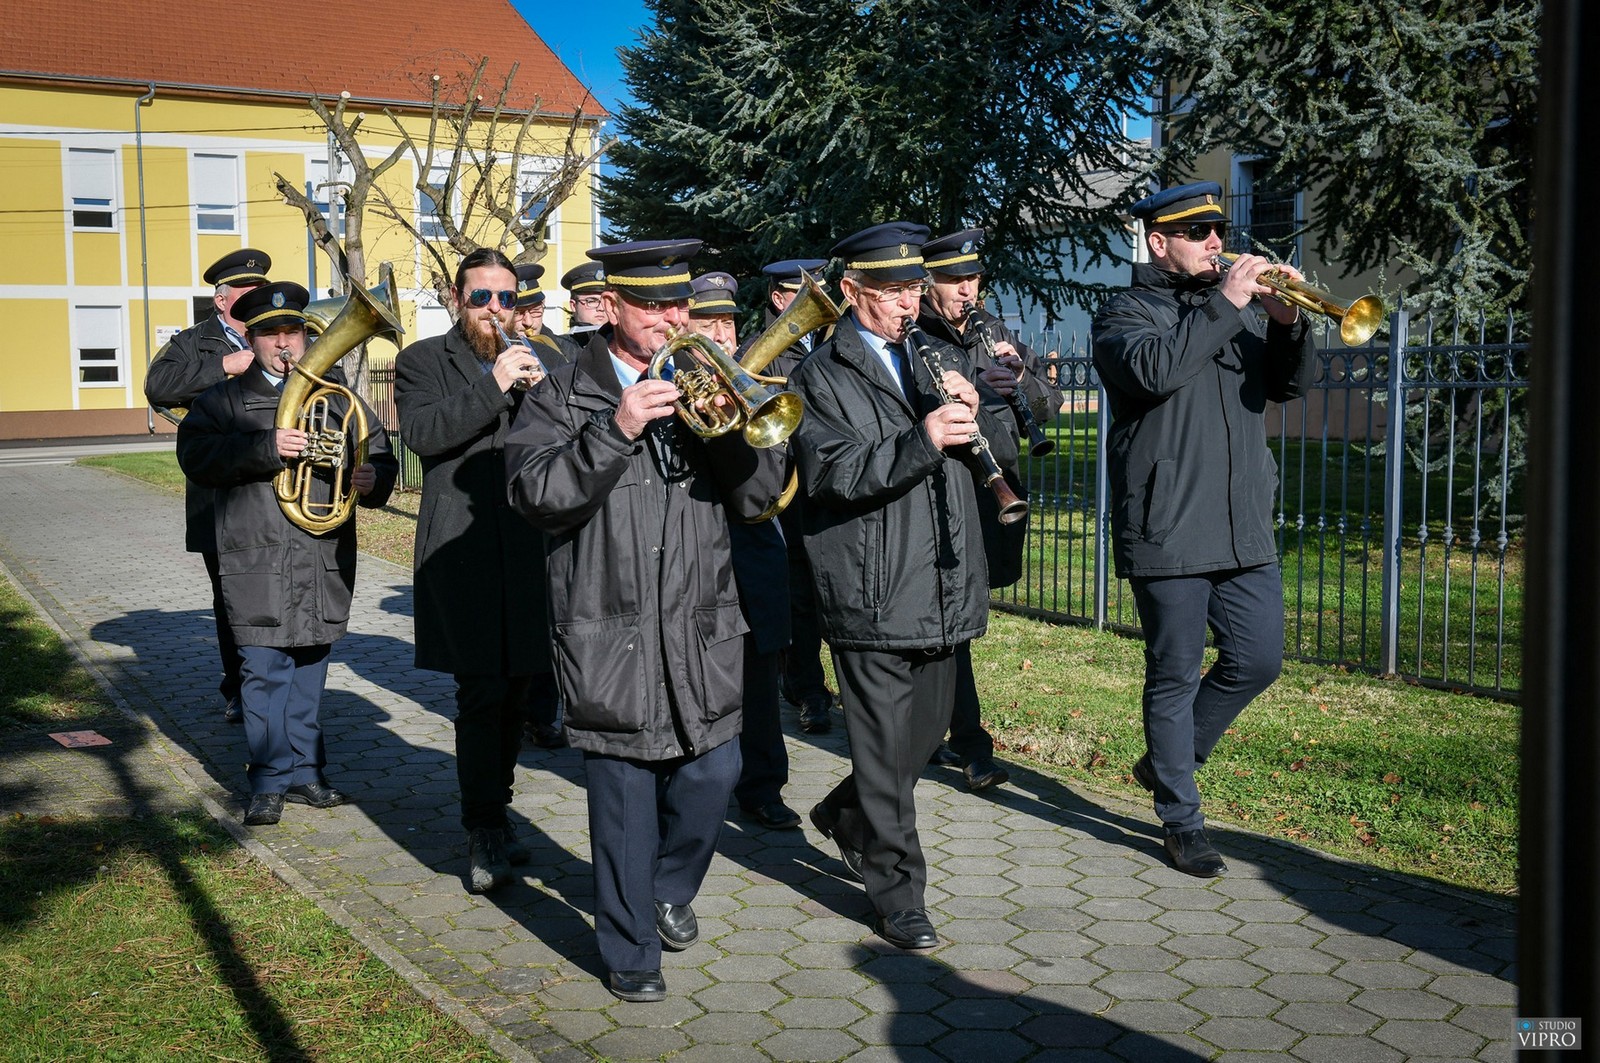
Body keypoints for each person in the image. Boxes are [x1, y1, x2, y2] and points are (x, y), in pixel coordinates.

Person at [505, 240, 785, 1002]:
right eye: (656, 305)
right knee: (624, 801)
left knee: (715, 771)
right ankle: (630, 953)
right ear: (615, 306)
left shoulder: (708, 382)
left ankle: (665, 887)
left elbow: (761, 496)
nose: (673, 319)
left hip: (700, 625)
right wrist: (617, 428)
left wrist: (726, 430)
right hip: (606, 626)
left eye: (681, 305)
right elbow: (534, 494)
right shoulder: (562, 394)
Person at [788, 222, 1015, 950]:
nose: (908, 303)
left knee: (914, 746)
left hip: (942, 582)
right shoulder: (819, 376)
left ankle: (848, 815)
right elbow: (832, 474)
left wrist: (976, 413)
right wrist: (922, 436)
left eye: (915, 288)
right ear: (853, 293)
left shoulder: (935, 357)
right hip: (871, 587)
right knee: (885, 752)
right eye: (892, 291)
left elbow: (986, 452)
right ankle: (899, 896)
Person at [1090, 181, 1315, 877]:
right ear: (1160, 242)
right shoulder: (1125, 311)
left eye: (1220, 229)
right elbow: (1156, 370)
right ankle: (1182, 819)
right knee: (1175, 673)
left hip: (1242, 520)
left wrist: (1285, 322)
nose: (1217, 242)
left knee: (1259, 658)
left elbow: (1288, 386)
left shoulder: (1236, 310)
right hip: (1168, 522)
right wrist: (1229, 304)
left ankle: (1168, 761)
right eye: (1199, 232)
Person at [174, 280, 397, 826]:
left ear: (305, 334)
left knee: (310, 668)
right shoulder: (221, 400)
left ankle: (307, 773)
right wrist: (264, 447)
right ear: (250, 340)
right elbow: (197, 458)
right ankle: (269, 780)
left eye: (292, 331)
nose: (284, 343)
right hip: (255, 553)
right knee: (263, 670)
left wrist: (373, 478)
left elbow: (382, 454)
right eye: (270, 334)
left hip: (321, 552)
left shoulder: (337, 392)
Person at [394, 247, 561, 893]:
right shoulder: (422, 361)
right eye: (481, 296)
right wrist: (493, 381)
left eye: (506, 297)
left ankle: (499, 805)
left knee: (520, 689)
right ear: (457, 299)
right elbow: (425, 434)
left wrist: (547, 390)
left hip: (532, 548)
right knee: (482, 692)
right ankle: (483, 821)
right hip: (462, 551)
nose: (495, 308)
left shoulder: (546, 355)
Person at [916, 227, 1059, 793]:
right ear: (929, 284)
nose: (967, 290)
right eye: (955, 280)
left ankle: (935, 732)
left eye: (973, 279)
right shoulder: (914, 335)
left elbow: (1048, 407)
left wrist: (1022, 377)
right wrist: (976, 383)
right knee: (954, 618)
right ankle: (970, 743)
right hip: (946, 488)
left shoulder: (993, 329)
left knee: (964, 616)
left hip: (997, 488)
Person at [686, 271, 800, 831]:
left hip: (752, 541)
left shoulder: (758, 377)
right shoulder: (673, 385)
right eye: (707, 323)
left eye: (727, 322)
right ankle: (701, 786)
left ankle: (762, 785)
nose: (722, 334)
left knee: (758, 674)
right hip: (694, 552)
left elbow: (769, 479)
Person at [144, 247, 271, 725]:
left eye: (261, 288)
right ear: (222, 300)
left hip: (278, 478)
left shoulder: (281, 330)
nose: (256, 296)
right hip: (220, 488)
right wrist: (225, 367)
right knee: (231, 595)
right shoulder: (193, 342)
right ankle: (238, 687)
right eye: (247, 291)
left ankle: (282, 687)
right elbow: (158, 387)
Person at [758, 258, 838, 736]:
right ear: (778, 299)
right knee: (801, 598)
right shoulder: (764, 352)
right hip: (791, 487)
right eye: (801, 294)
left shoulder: (832, 343)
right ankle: (809, 691)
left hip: (829, 484)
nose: (813, 303)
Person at [510, 261, 569, 750]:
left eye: (535, 310)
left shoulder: (562, 349)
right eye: (522, 311)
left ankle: (545, 711)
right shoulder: (500, 354)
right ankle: (521, 708)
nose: (529, 321)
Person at [554, 260, 607, 360]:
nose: (601, 308)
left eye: (606, 301)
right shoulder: (556, 347)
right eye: (591, 301)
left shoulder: (625, 345)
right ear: (573, 305)